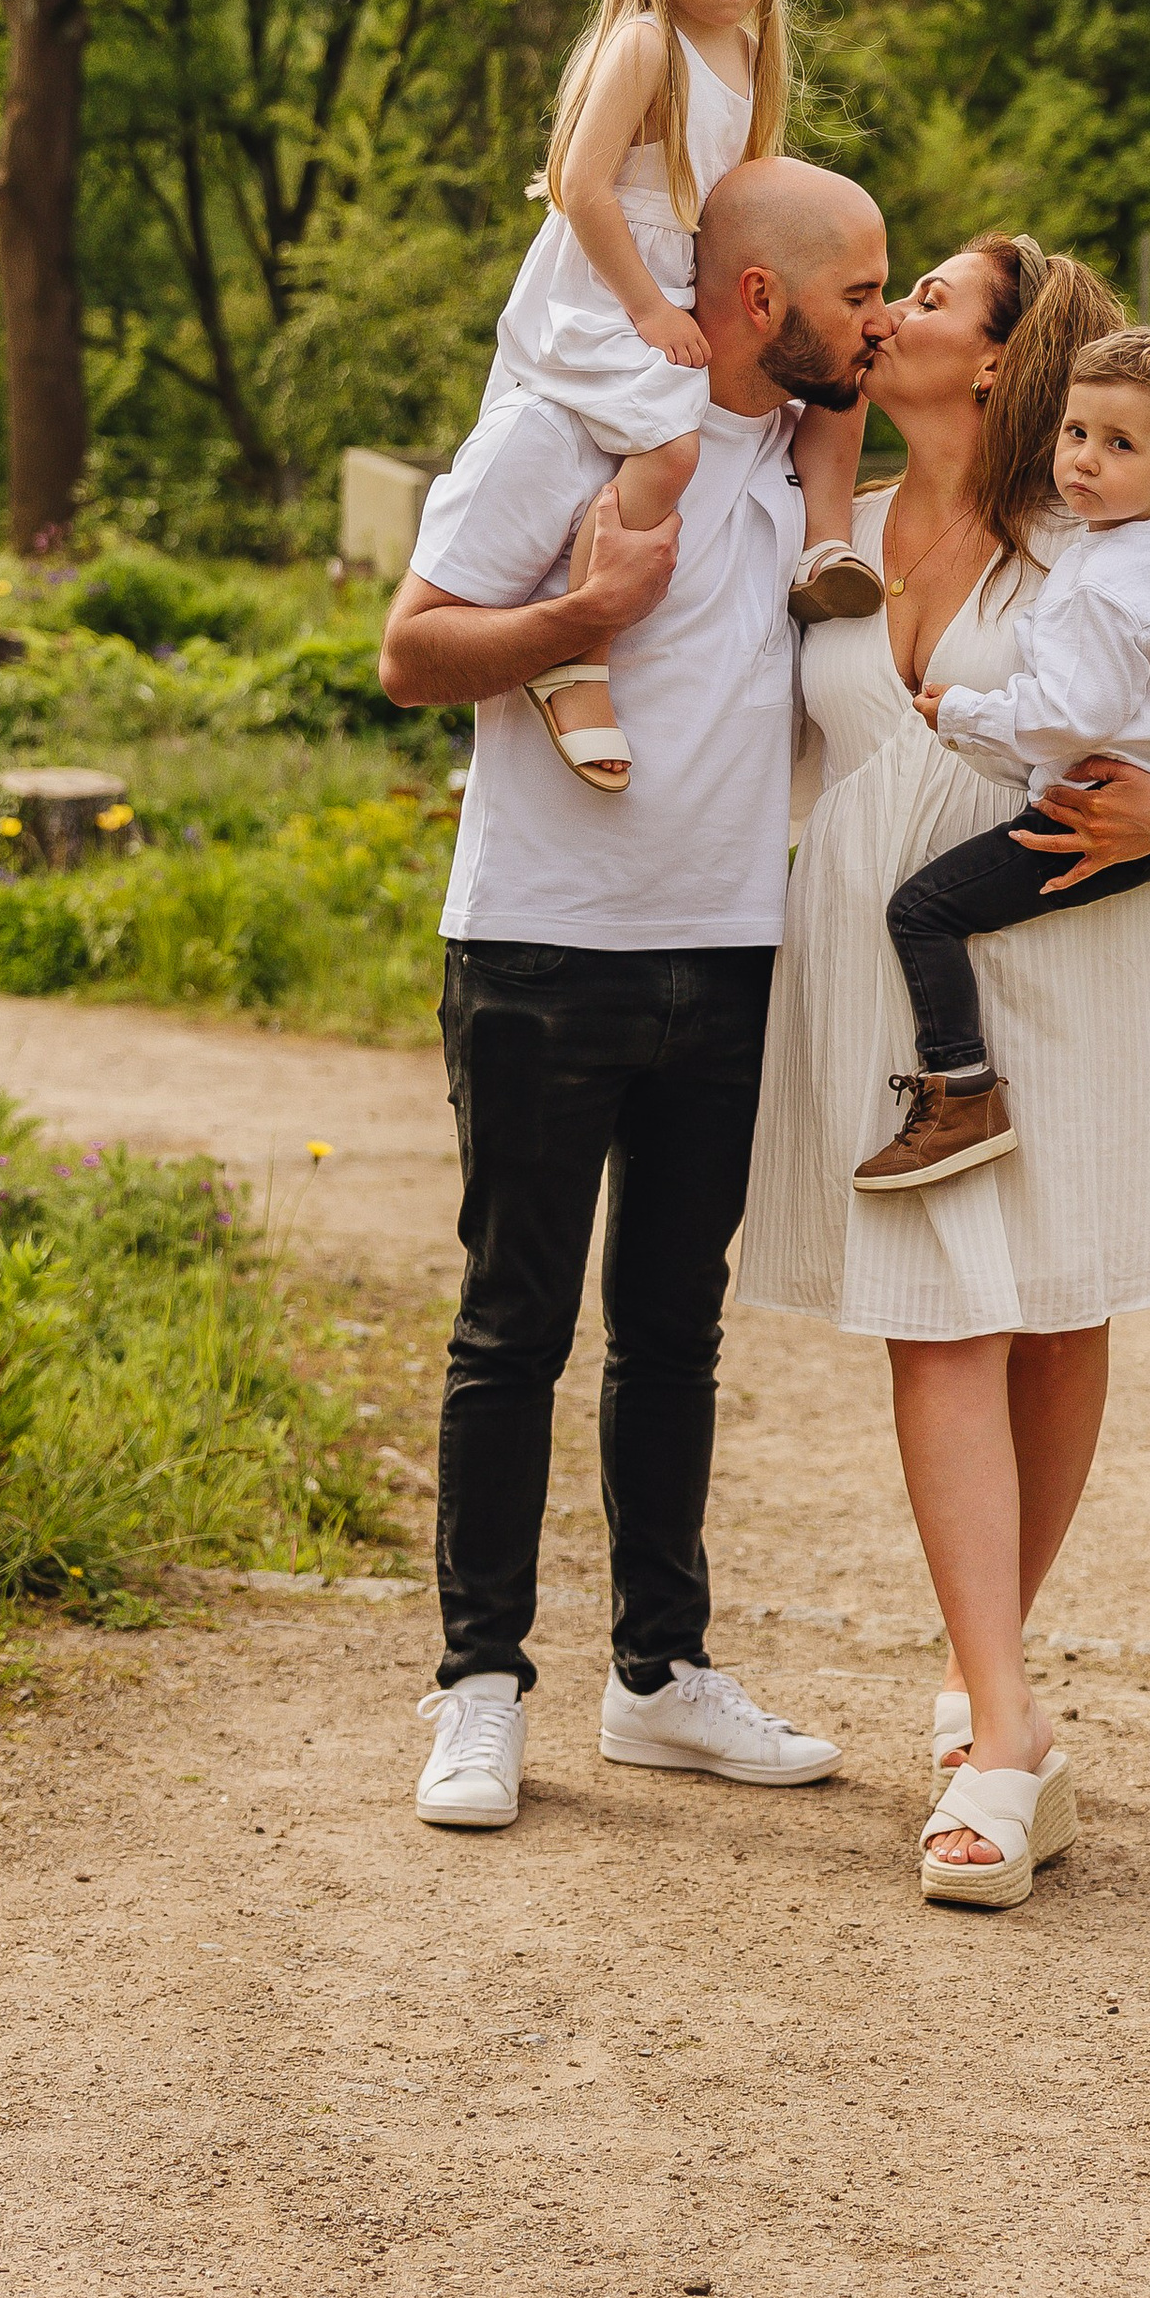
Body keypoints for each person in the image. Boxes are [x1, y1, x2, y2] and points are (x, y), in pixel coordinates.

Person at [734, 237, 1150, 1912]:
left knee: (1055, 1314)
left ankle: (988, 1682)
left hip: (1069, 947)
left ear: (996, 362)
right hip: (889, 965)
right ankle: (1005, 1733)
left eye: (926, 297)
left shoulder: (1097, 533)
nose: (889, 312)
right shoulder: (821, 527)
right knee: (939, 1318)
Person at [378, 157, 898, 1834]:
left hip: (732, 951)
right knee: (513, 1328)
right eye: (860, 294)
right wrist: (588, 614)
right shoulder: (569, 431)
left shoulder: (815, 467)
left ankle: (659, 1679)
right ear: (760, 298)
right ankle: (478, 1688)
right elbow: (410, 652)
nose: (879, 325)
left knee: (675, 1332)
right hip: (540, 947)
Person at [484, 0, 879, 794]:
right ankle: (576, 654)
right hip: (601, 289)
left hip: (681, 284)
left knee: (826, 385)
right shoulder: (645, 45)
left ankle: (820, 551)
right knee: (669, 445)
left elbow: (735, 203)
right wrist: (652, 315)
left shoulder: (746, 49)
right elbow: (581, 189)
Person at [856, 325, 1150, 1193]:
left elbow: (1069, 719)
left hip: (1080, 817)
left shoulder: (1097, 583)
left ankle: (961, 1090)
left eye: (1119, 445)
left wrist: (962, 713)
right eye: (1076, 432)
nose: (1083, 459)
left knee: (922, 913)